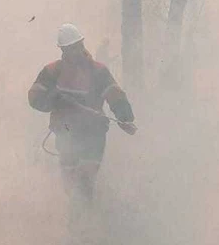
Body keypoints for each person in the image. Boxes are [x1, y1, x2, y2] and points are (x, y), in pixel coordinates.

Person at [28, 24, 137, 201]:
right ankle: (77, 219)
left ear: (82, 44)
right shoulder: (52, 71)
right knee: (70, 184)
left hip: (93, 133)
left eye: (78, 46)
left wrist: (124, 116)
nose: (76, 51)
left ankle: (86, 219)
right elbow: (34, 96)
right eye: (70, 48)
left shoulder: (98, 71)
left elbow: (114, 93)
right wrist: (53, 99)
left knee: (86, 180)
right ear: (63, 49)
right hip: (66, 134)